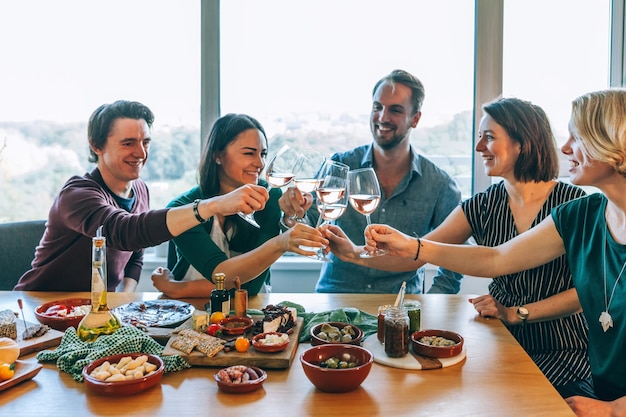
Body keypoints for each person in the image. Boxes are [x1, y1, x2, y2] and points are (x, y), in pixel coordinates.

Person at [365, 89, 626, 416]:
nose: (565, 148)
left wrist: (615, 410)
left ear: (613, 142)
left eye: (578, 137)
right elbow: (497, 258)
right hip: (602, 390)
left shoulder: (570, 202)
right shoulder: (582, 213)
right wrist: (414, 246)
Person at [15, 101, 270, 292]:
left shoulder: (140, 190)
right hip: (41, 307)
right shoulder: (77, 194)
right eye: (128, 143)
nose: (140, 152)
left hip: (95, 313)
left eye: (145, 142)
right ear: (96, 145)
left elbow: (135, 255)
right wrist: (211, 206)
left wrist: (125, 299)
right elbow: (124, 232)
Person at [279, 69, 463, 294]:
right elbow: (310, 225)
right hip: (335, 302)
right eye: (377, 107)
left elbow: (454, 262)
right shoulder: (341, 164)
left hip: (400, 310)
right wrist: (292, 214)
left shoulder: (440, 186)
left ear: (415, 119)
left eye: (395, 110)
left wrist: (430, 308)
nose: (383, 117)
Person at [150, 113, 326, 298]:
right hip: (191, 309)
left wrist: (177, 289)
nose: (260, 163)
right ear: (217, 155)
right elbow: (223, 276)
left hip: (250, 311)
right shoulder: (183, 208)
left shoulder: (269, 199)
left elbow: (249, 287)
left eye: (263, 154)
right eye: (249, 153)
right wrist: (281, 243)